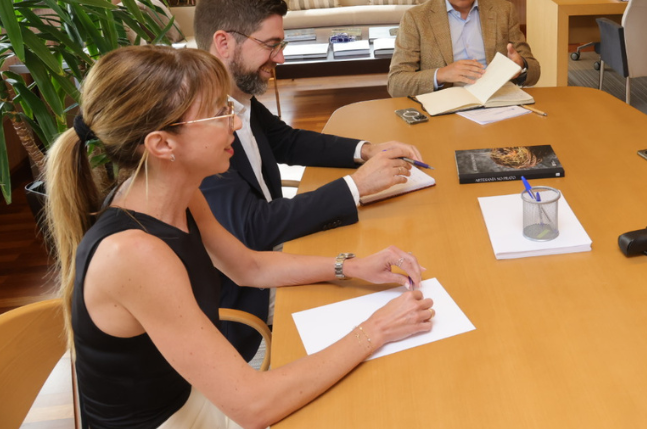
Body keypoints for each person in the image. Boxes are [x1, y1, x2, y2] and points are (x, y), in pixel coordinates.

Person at [45, 46, 434, 428]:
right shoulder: (134, 253)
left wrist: (350, 266)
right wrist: (376, 329)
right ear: (162, 144)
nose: (234, 123)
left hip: (193, 394)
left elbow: (248, 266)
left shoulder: (177, 193)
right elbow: (254, 405)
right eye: (218, 114)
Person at [194, 0, 423, 361]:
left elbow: (286, 140)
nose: (280, 58)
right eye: (271, 45)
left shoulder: (236, 99)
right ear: (224, 43)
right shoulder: (200, 129)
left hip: (274, 262)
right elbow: (252, 229)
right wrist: (355, 187)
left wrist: (366, 150)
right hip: (249, 314)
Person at [387, 0, 541, 97]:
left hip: (496, 102)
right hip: (445, 106)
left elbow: (534, 72)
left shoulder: (503, 11)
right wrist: (441, 74)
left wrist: (521, 66)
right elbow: (396, 84)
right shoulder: (416, 18)